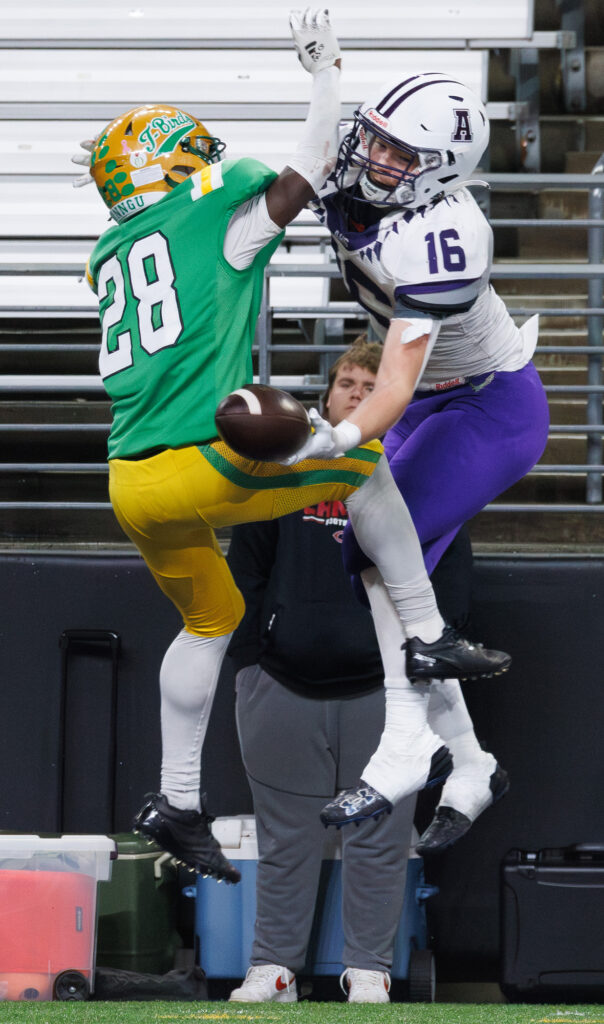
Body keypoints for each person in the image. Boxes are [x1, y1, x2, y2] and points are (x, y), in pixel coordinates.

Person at [74, 17, 508, 883]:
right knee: (364, 461)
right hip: (203, 460)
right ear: (171, 168)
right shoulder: (215, 227)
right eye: (191, 156)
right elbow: (307, 167)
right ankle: (424, 634)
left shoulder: (108, 250)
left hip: (128, 481)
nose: (208, 163)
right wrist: (328, 76)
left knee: (210, 619)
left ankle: (176, 801)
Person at [283, 71, 549, 840]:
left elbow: (395, 382)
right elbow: (291, 171)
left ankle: (406, 744)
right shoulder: (353, 167)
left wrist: (337, 436)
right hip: (435, 396)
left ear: (443, 168)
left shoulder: (446, 232)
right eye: (377, 138)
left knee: (377, 552)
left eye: (403, 153)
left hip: (485, 404)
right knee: (371, 561)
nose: (376, 158)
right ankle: (468, 762)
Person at [227, 339, 477, 1004]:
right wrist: (250, 665)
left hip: (383, 692)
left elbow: (450, 584)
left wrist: (418, 682)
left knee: (381, 840)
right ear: (328, 395)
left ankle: (367, 969)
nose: (358, 393)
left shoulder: (424, 478)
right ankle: (272, 968)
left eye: (374, 383)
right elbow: (244, 575)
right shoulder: (285, 471)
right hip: (281, 682)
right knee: (285, 840)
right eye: (347, 382)